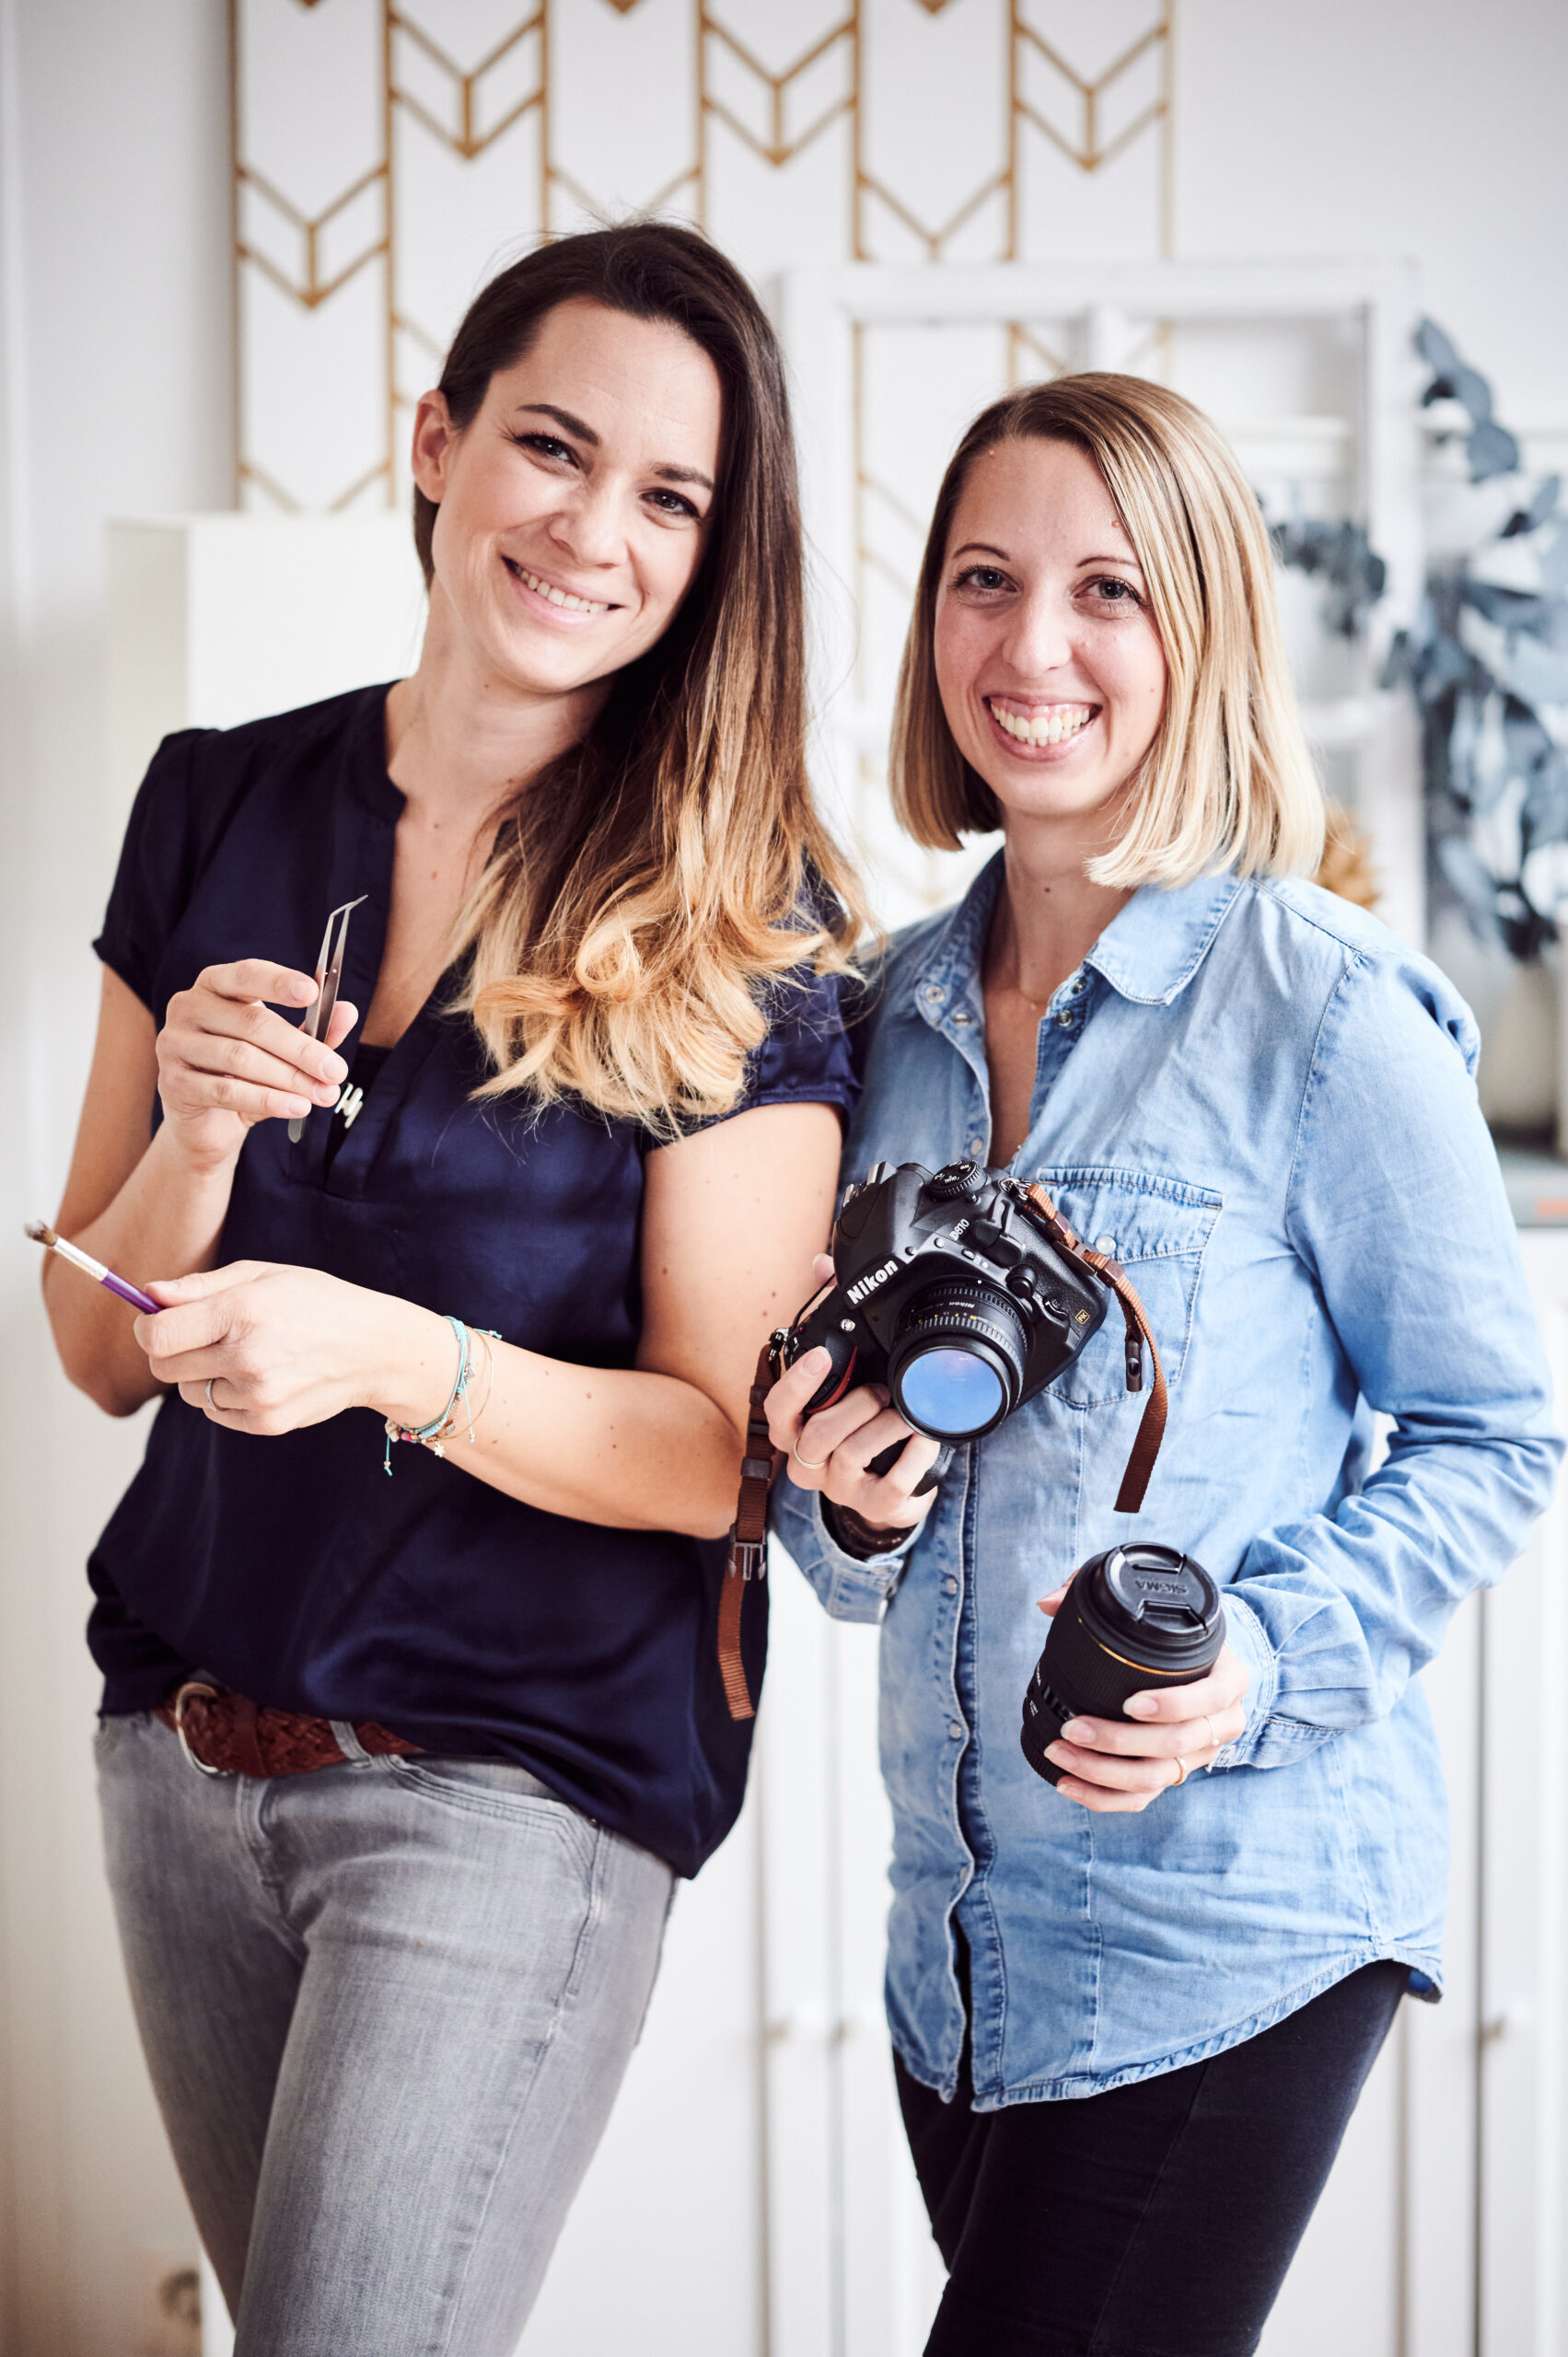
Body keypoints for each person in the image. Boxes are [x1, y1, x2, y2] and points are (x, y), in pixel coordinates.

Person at [46, 224, 860, 2356]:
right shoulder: (217, 791)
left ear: (710, 550)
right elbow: (88, 1335)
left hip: (505, 1793)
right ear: (439, 442)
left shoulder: (737, 906)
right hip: (184, 1758)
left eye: (669, 496)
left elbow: (721, 1464)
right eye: (554, 448)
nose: (595, 528)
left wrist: (387, 1353)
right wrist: (201, 1145)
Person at [765, 373, 1561, 2357]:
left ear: (1201, 628)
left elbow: (1497, 1433)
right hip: (958, 1950)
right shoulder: (885, 1027)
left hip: (1232, 1923)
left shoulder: (1327, 1008)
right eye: (982, 579)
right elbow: (866, 1559)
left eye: (1106, 587)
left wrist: (1260, 1661)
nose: (1031, 648)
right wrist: (834, 1489)